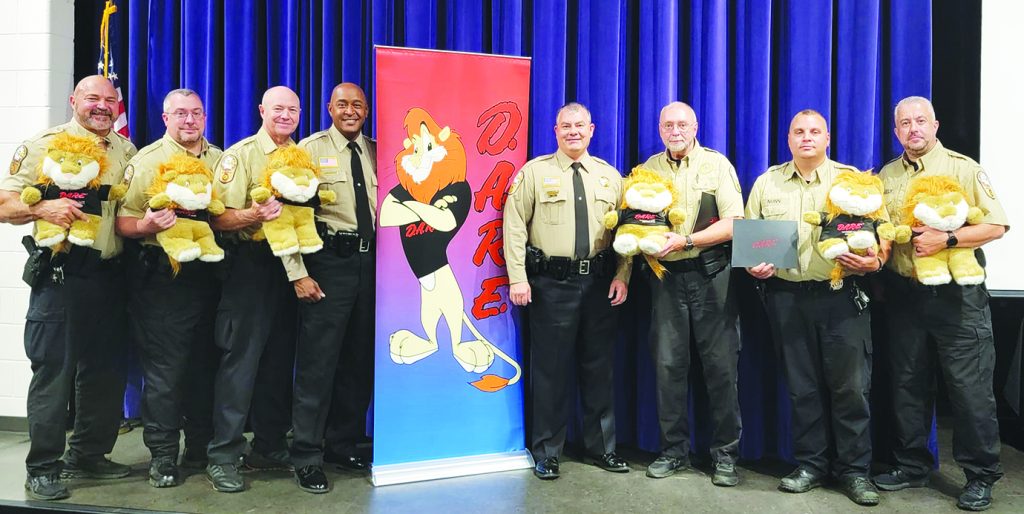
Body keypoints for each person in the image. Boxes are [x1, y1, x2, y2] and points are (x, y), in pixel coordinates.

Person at [0, 75, 137, 501]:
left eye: (109, 100)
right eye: (92, 98)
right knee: (54, 374)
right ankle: (42, 466)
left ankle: (89, 454)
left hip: (111, 276)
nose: (101, 106)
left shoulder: (126, 150)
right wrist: (41, 205)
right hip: (62, 275)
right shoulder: (44, 144)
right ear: (73, 100)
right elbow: (4, 204)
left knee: (105, 372)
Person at [872, 96, 1009, 512]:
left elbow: (996, 224)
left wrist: (947, 239)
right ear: (896, 131)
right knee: (907, 384)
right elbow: (883, 230)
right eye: (904, 123)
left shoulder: (963, 168)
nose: (913, 128)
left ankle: (981, 474)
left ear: (935, 125)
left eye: (920, 121)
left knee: (969, 390)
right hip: (904, 295)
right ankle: (913, 463)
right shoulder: (887, 174)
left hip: (956, 296)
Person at [745, 110, 883, 506]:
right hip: (786, 298)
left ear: (827, 137)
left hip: (841, 295)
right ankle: (810, 465)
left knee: (851, 389)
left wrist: (874, 259)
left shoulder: (852, 180)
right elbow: (754, 237)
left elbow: (880, 231)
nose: (806, 138)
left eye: (814, 132)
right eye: (798, 132)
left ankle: (855, 471)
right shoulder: (767, 182)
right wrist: (756, 264)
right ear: (788, 139)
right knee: (802, 388)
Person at [503, 102, 631, 480]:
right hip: (551, 284)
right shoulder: (534, 173)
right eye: (565, 126)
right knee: (551, 371)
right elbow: (514, 227)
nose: (573, 131)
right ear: (554, 130)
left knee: (599, 369)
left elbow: (627, 233)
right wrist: (517, 277)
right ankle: (547, 451)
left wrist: (623, 274)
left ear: (592, 130)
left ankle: (602, 449)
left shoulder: (610, 177)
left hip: (599, 284)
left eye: (579, 125)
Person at [114, 88, 223, 488]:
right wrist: (146, 226)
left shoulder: (218, 159)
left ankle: (199, 447)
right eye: (181, 114)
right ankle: (162, 455)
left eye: (196, 113)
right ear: (166, 119)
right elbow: (122, 222)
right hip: (163, 277)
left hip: (209, 275)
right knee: (165, 372)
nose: (190, 121)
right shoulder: (146, 161)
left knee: (204, 366)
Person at [640, 102, 744, 486]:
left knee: (721, 369)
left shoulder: (717, 165)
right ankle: (673, 452)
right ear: (660, 128)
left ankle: (726, 456)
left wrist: (685, 240)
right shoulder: (647, 169)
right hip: (665, 280)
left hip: (711, 276)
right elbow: (635, 220)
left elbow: (735, 222)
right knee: (668, 369)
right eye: (668, 124)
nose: (675, 130)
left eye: (682, 123)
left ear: (696, 126)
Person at [205, 86, 301, 492]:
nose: (285, 115)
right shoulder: (240, 155)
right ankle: (224, 454)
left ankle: (268, 445)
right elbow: (217, 218)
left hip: (292, 265)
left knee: (279, 362)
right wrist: (253, 214)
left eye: (292, 109)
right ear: (262, 110)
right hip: (251, 267)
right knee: (240, 363)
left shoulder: (302, 154)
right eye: (278, 108)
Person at [286, 82, 376, 493]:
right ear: (329, 108)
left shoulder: (380, 150)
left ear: (367, 110)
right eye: (343, 104)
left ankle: (343, 442)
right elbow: (289, 216)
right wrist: (297, 272)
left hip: (374, 265)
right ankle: (306, 454)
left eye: (358, 104)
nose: (350, 110)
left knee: (360, 360)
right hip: (328, 264)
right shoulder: (307, 151)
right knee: (318, 363)